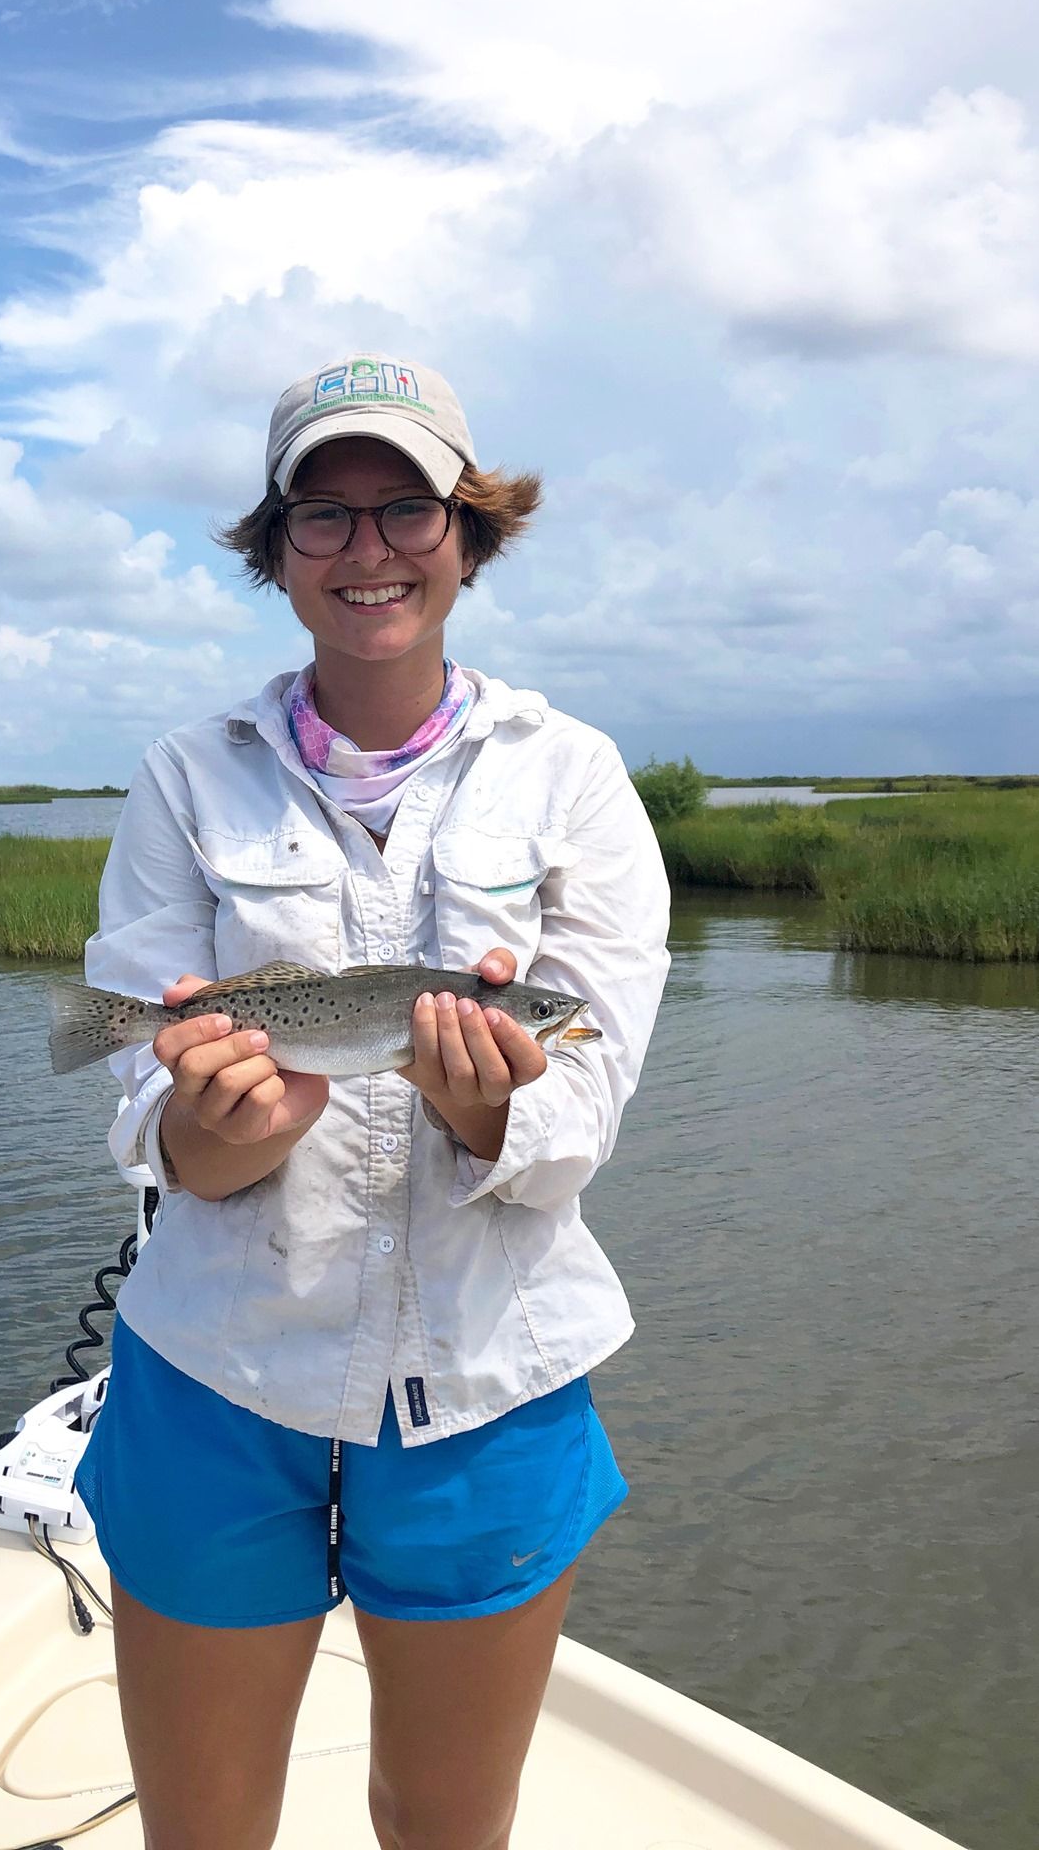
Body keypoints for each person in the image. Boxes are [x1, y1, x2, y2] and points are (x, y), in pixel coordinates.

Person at [74, 353, 671, 1850]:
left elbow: (583, 1105)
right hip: (216, 1370)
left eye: (405, 508)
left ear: (470, 534)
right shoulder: (184, 778)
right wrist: (218, 1127)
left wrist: (488, 1111)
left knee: (444, 1825)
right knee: (200, 1831)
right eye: (320, 517)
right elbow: (157, 1138)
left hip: (489, 1379)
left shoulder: (575, 777)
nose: (368, 550)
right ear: (271, 552)